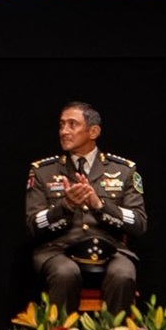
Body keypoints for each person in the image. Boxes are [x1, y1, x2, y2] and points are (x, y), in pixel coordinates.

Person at [25, 101, 146, 314]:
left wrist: (101, 206)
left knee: (123, 274)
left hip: (111, 250)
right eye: (62, 125)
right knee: (65, 273)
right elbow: (33, 224)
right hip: (58, 251)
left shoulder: (124, 170)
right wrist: (65, 206)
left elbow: (139, 223)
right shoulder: (43, 171)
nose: (64, 131)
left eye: (72, 125)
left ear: (94, 131)